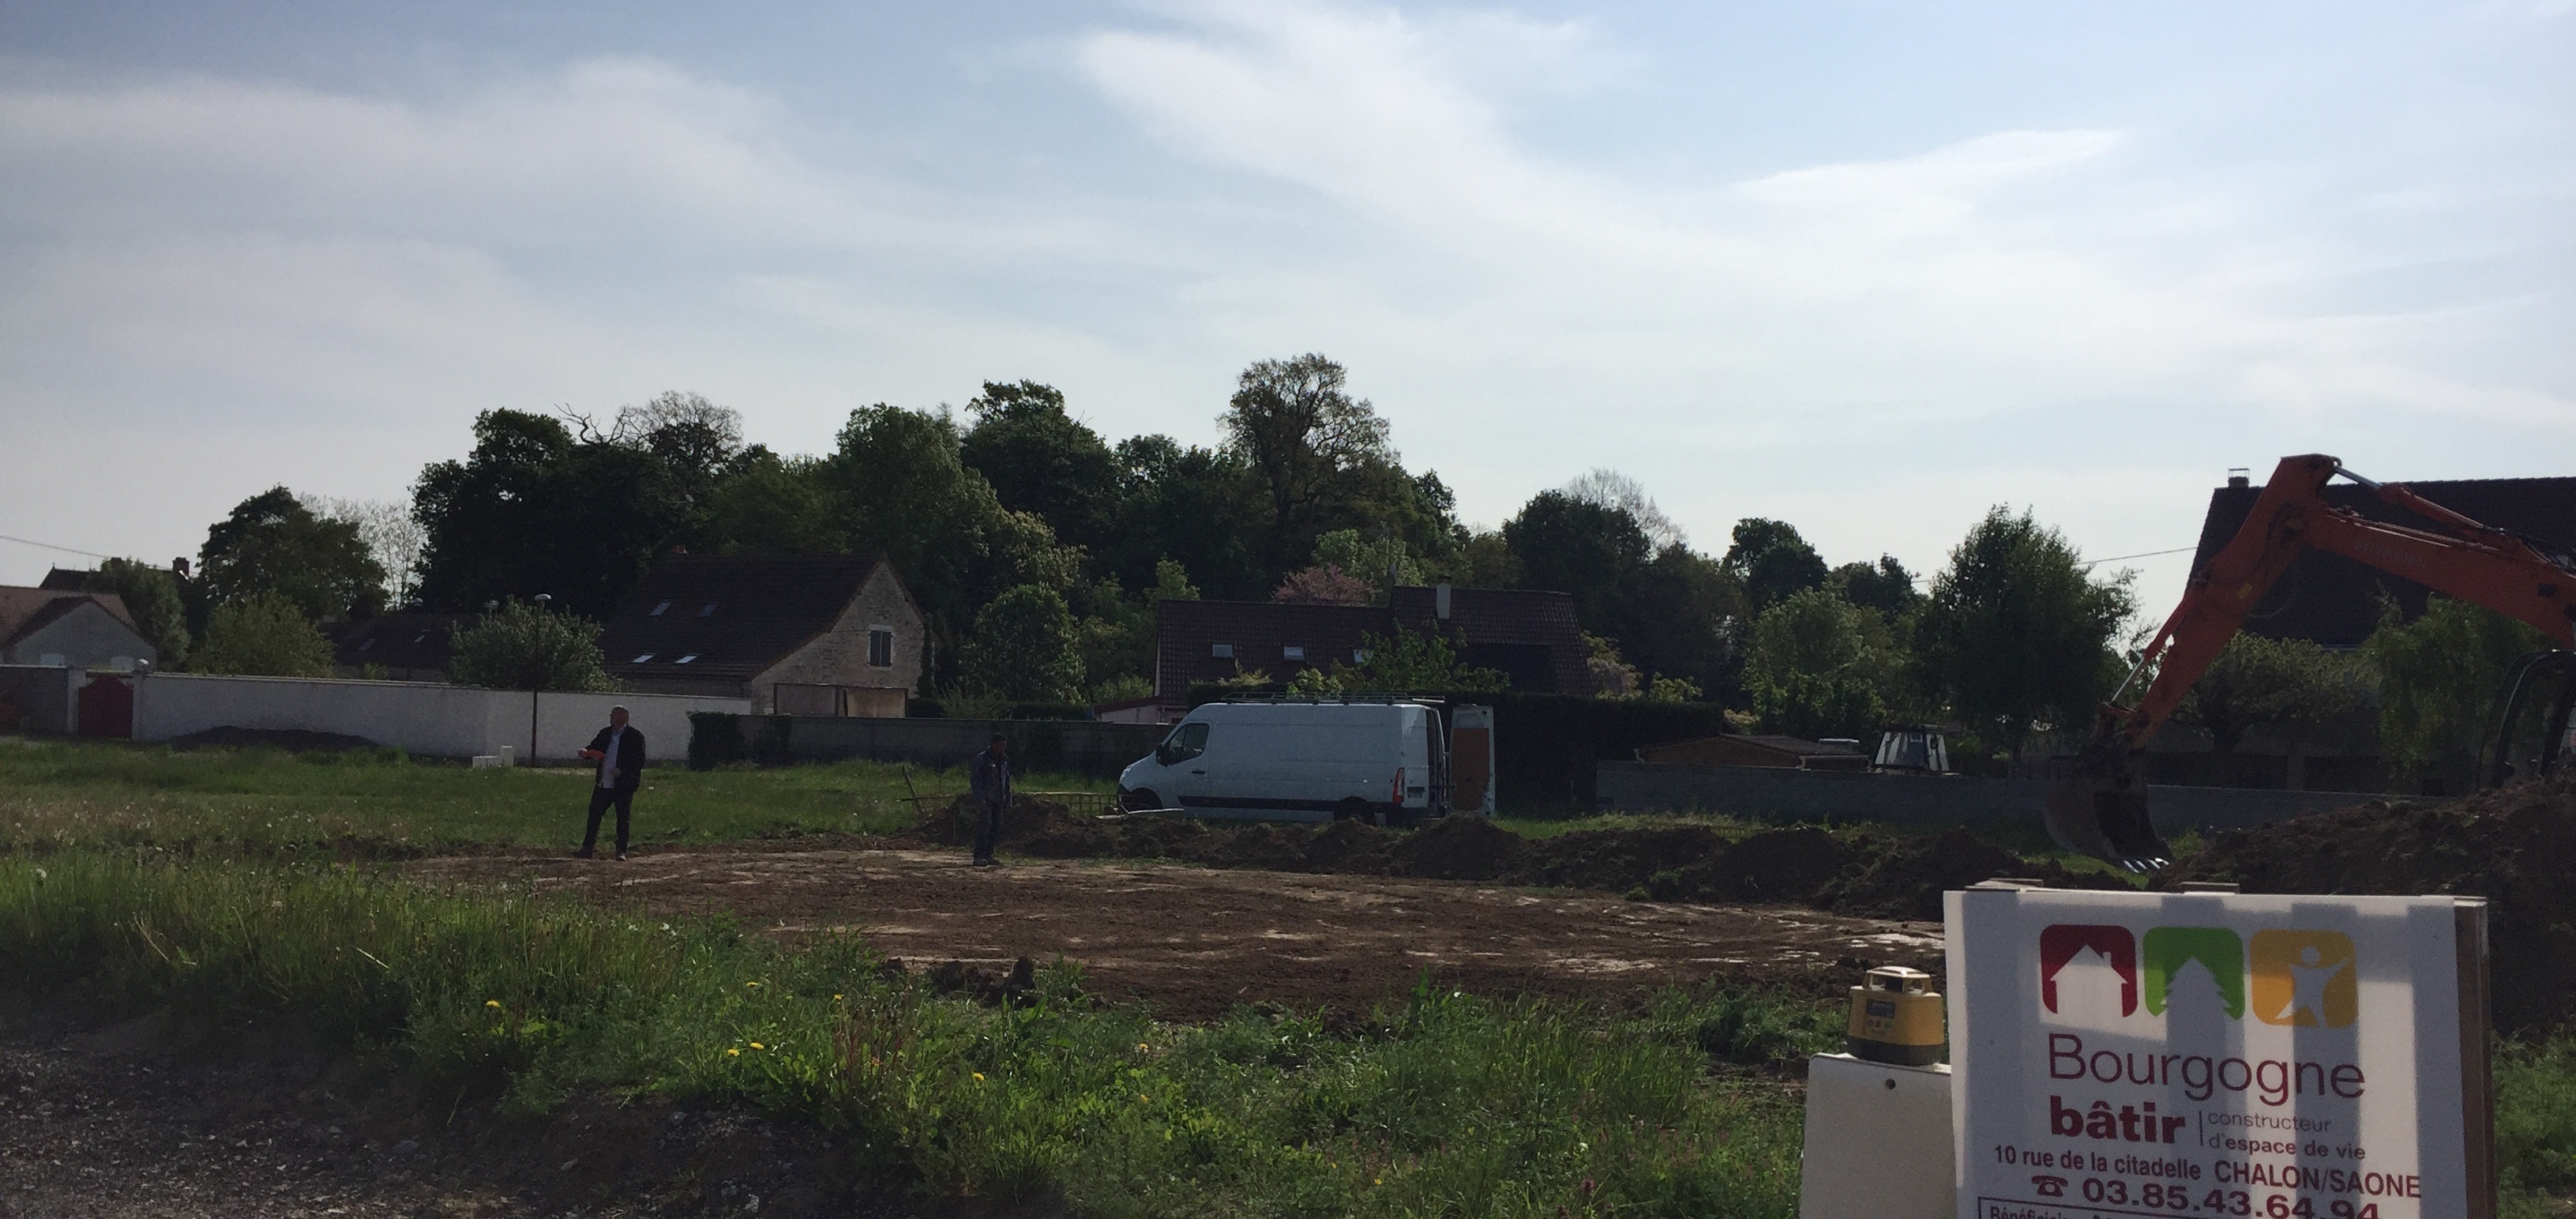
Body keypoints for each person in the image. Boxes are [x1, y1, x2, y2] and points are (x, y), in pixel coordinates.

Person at [576, 705, 646, 860]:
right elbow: (594, 748)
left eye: (620, 716)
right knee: (594, 815)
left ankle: (621, 851)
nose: (616, 719)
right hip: (604, 783)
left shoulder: (635, 736)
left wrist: (623, 771)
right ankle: (587, 848)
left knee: (622, 818)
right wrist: (586, 753)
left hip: (624, 785)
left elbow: (639, 760)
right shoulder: (605, 733)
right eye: (614, 716)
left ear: (626, 718)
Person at [968, 732, 1010, 867]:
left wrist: (1008, 798)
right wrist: (980, 799)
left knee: (996, 828)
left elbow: (1006, 781)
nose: (1003, 748)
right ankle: (979, 856)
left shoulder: (1003, 761)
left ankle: (988, 854)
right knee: (984, 828)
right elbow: (976, 780)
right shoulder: (982, 759)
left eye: (1004, 745)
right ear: (993, 744)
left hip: (999, 799)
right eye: (1001, 745)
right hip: (987, 799)